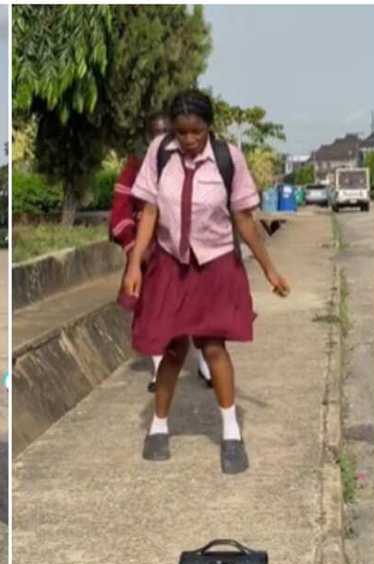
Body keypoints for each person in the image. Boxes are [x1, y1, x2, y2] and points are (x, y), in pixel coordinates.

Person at [123, 89, 290, 474]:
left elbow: (244, 220)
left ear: (208, 127)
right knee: (172, 348)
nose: (189, 140)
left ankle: (231, 433)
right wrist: (134, 266)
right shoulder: (160, 153)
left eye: (196, 132)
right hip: (170, 263)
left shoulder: (227, 158)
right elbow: (148, 211)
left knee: (214, 347)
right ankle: (159, 427)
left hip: (214, 262)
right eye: (181, 132)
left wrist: (269, 269)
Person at [110, 114, 213, 393]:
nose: (160, 138)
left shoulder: (193, 162)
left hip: (190, 249)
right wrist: (135, 248)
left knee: (199, 307)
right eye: (155, 133)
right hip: (152, 252)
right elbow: (121, 212)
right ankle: (158, 371)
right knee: (154, 311)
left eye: (165, 132)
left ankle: (205, 363)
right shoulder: (135, 168)